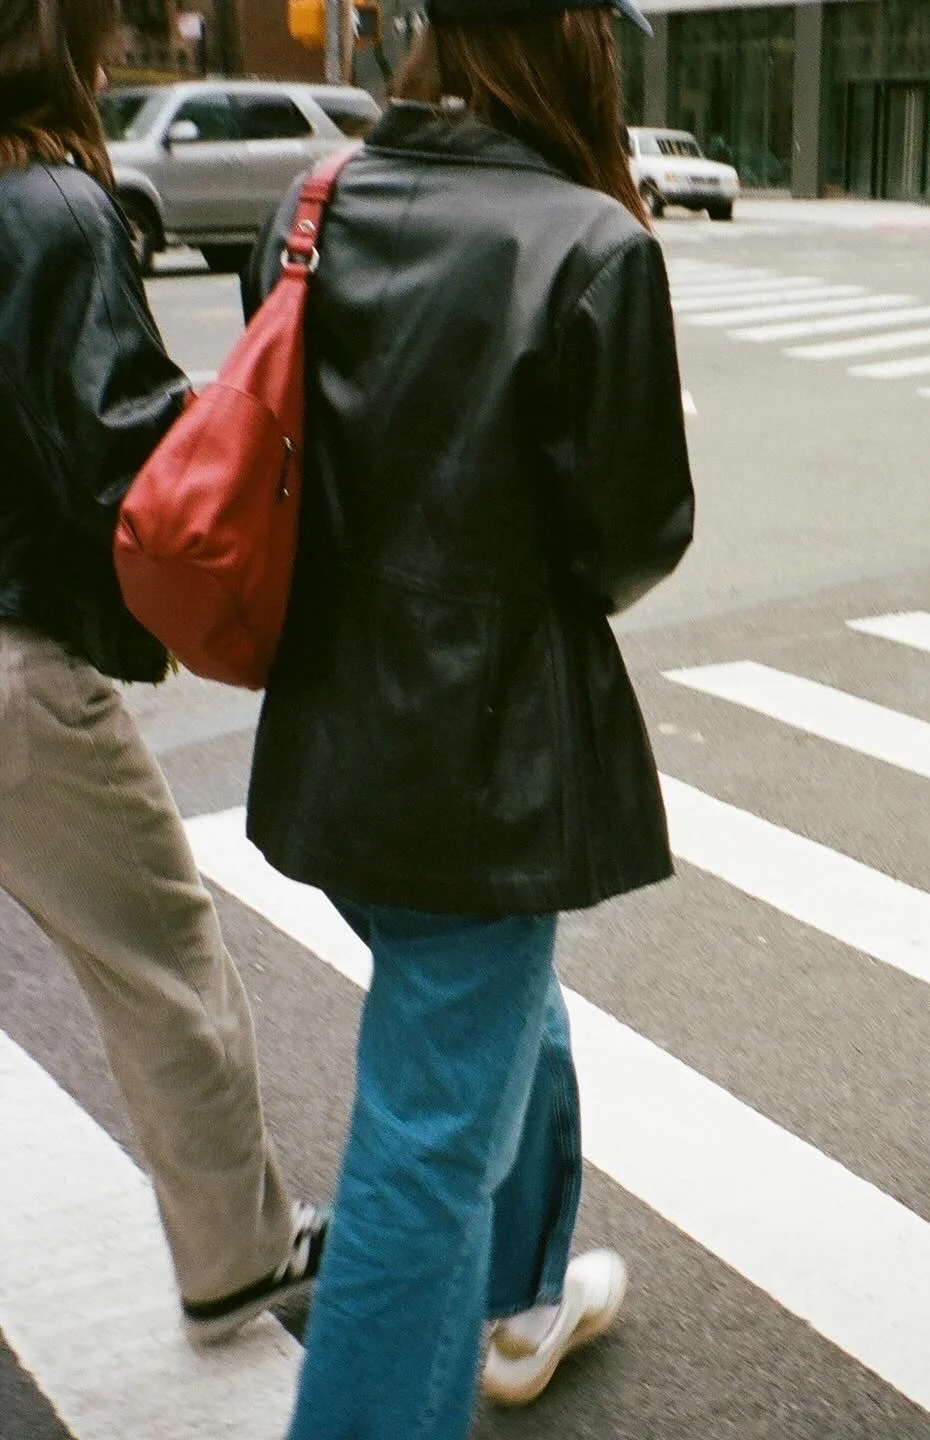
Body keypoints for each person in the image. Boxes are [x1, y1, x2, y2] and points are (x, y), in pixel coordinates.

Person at [241, 0, 695, 1434]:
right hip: (483, 767)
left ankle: (517, 1299)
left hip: (330, 745)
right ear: (580, 52)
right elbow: (637, 534)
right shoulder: (592, 243)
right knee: (425, 1149)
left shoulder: (311, 206)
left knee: (488, 1021)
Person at [0, 0, 327, 1346]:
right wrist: (225, 421)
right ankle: (237, 1251)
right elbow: (116, 447)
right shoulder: (55, 212)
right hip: (19, 671)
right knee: (163, 955)